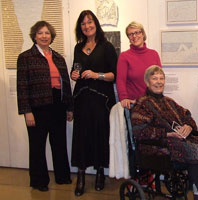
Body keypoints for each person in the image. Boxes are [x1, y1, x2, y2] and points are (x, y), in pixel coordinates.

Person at [17, 21, 73, 192]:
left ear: (51, 36)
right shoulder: (26, 57)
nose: (44, 36)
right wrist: (27, 111)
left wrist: (69, 108)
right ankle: (39, 181)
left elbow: (66, 84)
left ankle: (62, 176)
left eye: (47, 33)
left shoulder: (58, 57)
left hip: (58, 104)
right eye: (40, 33)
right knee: (37, 145)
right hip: (37, 107)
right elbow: (22, 86)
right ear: (34, 36)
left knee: (59, 142)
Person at [131, 65, 198, 200]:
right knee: (195, 150)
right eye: (154, 78)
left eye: (161, 78)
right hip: (155, 146)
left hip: (178, 141)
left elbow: (187, 116)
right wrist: (168, 134)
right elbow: (140, 131)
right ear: (147, 82)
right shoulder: (141, 104)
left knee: (194, 148)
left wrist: (188, 126)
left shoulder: (169, 102)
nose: (159, 81)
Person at [70, 10, 117, 196]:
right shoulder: (77, 47)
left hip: (101, 99)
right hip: (82, 98)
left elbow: (114, 75)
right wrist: (74, 74)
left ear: (96, 24)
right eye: (83, 23)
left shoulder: (107, 47)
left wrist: (96, 75)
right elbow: (76, 68)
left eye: (89, 22)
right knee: (81, 136)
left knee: (99, 135)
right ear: (80, 28)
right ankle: (81, 175)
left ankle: (100, 173)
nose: (87, 26)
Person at [116, 21, 161, 109]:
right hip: (134, 104)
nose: (134, 36)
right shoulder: (124, 56)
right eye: (131, 34)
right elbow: (120, 80)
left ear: (143, 34)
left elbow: (159, 79)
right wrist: (124, 98)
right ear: (128, 37)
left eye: (137, 32)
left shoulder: (154, 54)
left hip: (153, 103)